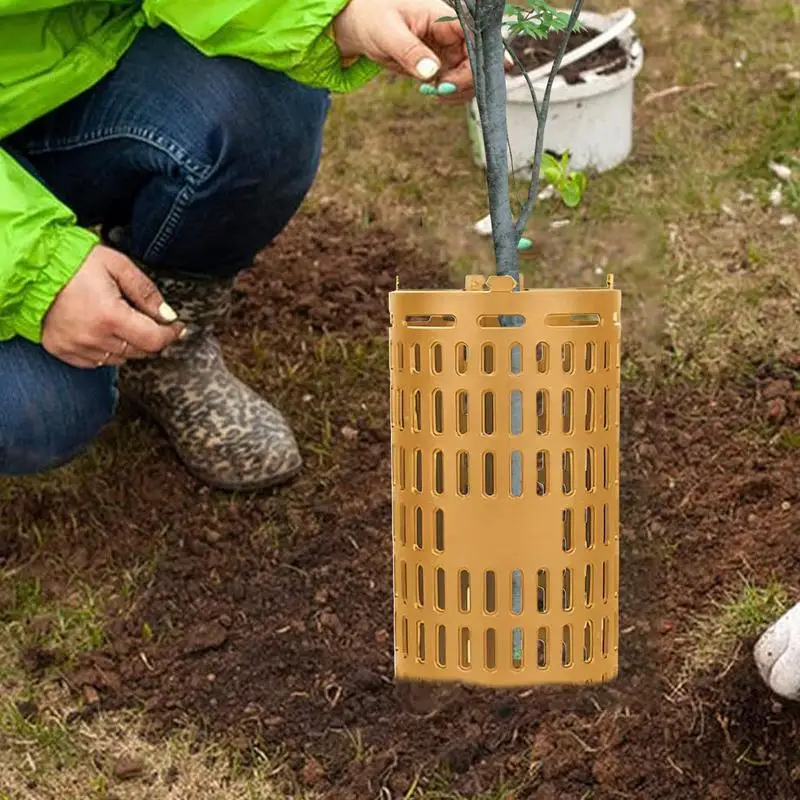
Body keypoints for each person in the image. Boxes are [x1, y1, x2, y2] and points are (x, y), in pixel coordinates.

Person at [0, 0, 481, 489]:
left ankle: (166, 350)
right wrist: (33, 270)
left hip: (65, 72)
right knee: (42, 408)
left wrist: (337, 13)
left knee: (265, 105)